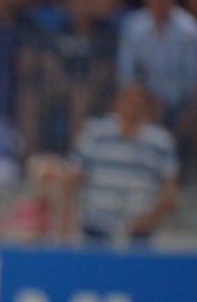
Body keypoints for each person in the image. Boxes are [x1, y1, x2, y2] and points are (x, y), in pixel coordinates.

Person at [61, 84, 178, 247]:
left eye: (138, 105)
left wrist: (151, 217)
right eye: (128, 103)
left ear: (147, 108)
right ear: (117, 104)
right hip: (96, 227)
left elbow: (170, 191)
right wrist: (66, 225)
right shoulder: (95, 132)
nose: (133, 109)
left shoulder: (161, 141)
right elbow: (71, 176)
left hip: (140, 231)